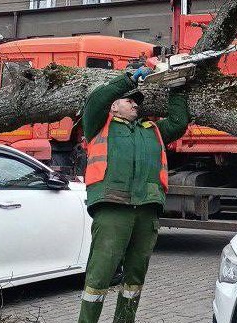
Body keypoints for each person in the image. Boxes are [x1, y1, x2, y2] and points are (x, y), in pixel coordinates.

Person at [77, 66, 189, 323]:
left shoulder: (153, 130)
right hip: (112, 207)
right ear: (114, 107)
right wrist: (126, 80)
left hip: (147, 209)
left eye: (136, 102)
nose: (135, 105)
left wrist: (178, 88)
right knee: (100, 275)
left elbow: (179, 122)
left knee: (135, 278)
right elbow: (97, 99)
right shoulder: (98, 125)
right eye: (129, 100)